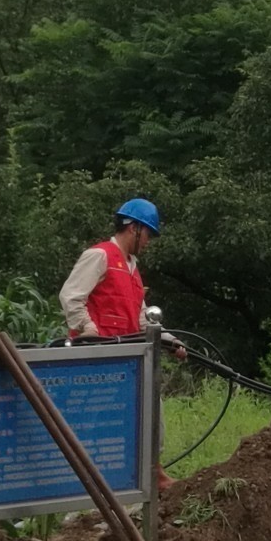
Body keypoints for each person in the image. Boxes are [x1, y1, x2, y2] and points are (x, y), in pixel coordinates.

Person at [60, 197, 186, 487]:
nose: (148, 242)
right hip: (99, 357)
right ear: (134, 228)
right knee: (101, 425)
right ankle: (96, 483)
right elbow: (71, 296)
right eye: (148, 235)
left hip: (128, 357)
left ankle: (151, 470)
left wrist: (169, 340)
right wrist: (88, 329)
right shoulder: (100, 256)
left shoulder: (132, 268)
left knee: (151, 409)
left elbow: (142, 319)